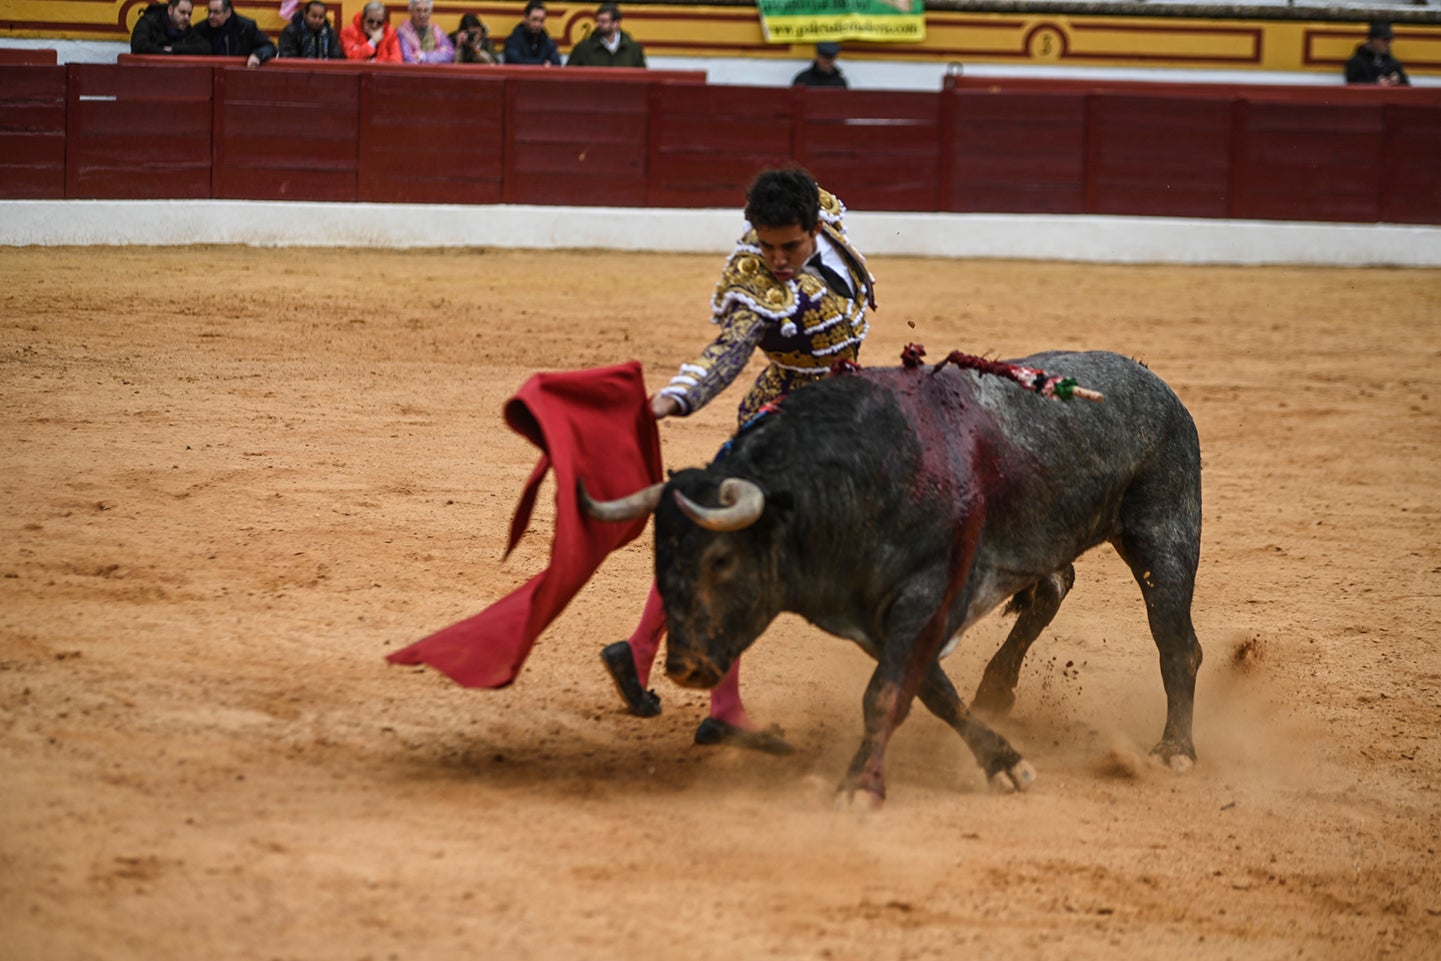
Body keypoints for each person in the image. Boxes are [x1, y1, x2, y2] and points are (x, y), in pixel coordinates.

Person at [600, 166, 876, 753]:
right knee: (742, 550)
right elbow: (726, 352)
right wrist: (675, 398)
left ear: (815, 226)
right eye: (767, 246)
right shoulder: (754, 283)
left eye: (790, 247)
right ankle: (714, 700)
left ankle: (643, 651)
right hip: (792, 418)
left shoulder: (825, 213)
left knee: (726, 539)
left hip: (838, 402)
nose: (777, 259)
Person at [195, 0, 277, 67]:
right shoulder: (201, 29)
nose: (211, 16)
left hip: (241, 76)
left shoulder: (246, 27)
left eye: (216, 12)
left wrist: (257, 55)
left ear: (228, 13)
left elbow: (269, 46)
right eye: (209, 11)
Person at [566, 2, 645, 68]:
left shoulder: (633, 49)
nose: (598, 24)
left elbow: (642, 79)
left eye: (603, 21)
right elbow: (569, 76)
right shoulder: (583, 48)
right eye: (597, 21)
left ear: (616, 23)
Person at [130, 0, 210, 54]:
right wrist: (164, 52)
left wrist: (174, 49)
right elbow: (139, 45)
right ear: (170, 10)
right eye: (182, 12)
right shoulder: (149, 21)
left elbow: (205, 48)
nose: (186, 18)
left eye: (189, 14)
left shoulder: (187, 29)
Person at [1345, 21, 1410, 86]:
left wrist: (1399, 81)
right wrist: (1375, 84)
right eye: (1385, 40)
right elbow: (1353, 86)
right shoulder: (1355, 63)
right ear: (1373, 39)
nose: (1388, 44)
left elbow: (1407, 88)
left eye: (1390, 40)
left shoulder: (1393, 63)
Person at [278, 0, 345, 58]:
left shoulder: (330, 32)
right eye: (314, 16)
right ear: (305, 15)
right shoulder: (290, 32)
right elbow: (288, 57)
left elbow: (336, 56)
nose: (317, 20)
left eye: (321, 17)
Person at [503, 0, 561, 66]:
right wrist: (542, 64)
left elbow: (557, 63)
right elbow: (513, 61)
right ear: (525, 18)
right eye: (534, 19)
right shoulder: (513, 41)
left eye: (541, 21)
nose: (538, 24)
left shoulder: (548, 42)